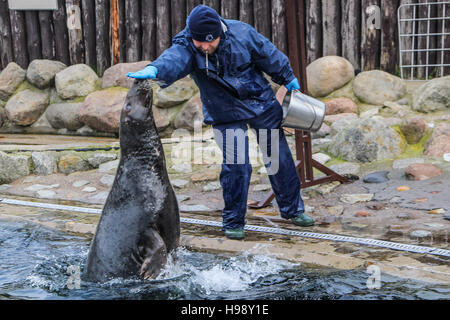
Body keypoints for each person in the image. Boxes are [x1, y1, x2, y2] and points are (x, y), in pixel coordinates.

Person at [127, 5, 314, 240]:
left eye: (210, 41)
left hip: (260, 101)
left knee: (278, 157)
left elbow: (269, 55)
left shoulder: (242, 33)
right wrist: (155, 69)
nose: (205, 46)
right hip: (224, 110)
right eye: (199, 42)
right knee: (237, 164)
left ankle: (293, 211)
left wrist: (287, 77)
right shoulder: (187, 45)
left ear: (220, 32)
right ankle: (234, 221)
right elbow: (174, 59)